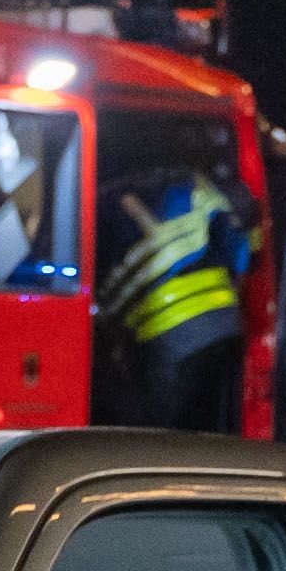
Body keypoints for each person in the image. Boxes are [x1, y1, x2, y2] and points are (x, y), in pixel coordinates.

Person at [93, 163, 253, 434]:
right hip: (225, 327)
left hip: (168, 337)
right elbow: (240, 250)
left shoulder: (98, 211)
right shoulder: (190, 187)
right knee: (215, 424)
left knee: (161, 434)